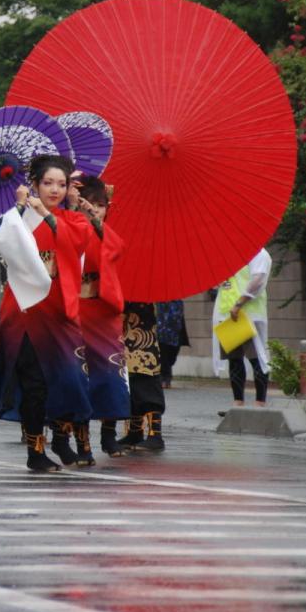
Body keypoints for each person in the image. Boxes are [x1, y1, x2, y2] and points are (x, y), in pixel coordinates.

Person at [0, 154, 94, 472]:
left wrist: (46, 216)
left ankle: (63, 440)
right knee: (34, 384)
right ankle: (36, 451)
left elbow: (78, 242)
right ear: (34, 184)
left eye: (61, 184)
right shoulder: (18, 217)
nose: (55, 190)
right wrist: (22, 208)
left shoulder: (74, 220)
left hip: (59, 312)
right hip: (25, 311)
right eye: (48, 183)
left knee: (68, 380)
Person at [69, 175, 129, 465]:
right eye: (89, 204)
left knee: (110, 376)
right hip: (74, 312)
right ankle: (82, 441)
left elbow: (116, 250)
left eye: (101, 205)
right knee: (79, 379)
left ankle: (109, 432)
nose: (95, 209)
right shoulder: (65, 228)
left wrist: (95, 222)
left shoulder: (105, 232)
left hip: (102, 312)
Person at [212, 248, 273, 407]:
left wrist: (239, 303)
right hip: (228, 314)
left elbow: (258, 280)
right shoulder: (231, 254)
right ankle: (238, 402)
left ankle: (260, 402)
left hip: (249, 314)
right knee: (234, 359)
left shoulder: (259, 253)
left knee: (257, 358)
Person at [120, 301, 166, 451]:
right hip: (126, 346)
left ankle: (155, 434)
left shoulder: (144, 294)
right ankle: (135, 432)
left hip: (144, 349)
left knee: (148, 391)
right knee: (133, 391)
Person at [154, 300, 189, 389]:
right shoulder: (159, 300)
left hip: (175, 329)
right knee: (163, 352)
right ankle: (165, 378)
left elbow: (180, 315)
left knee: (173, 354)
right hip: (162, 328)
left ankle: (166, 375)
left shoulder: (178, 301)